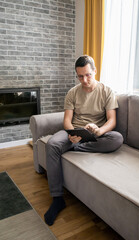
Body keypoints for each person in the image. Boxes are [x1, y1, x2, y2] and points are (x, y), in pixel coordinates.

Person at [44, 55, 123, 226]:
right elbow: (67, 120)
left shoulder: (107, 91)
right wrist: (71, 132)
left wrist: (100, 130)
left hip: (97, 133)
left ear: (95, 71)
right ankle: (57, 199)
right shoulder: (72, 92)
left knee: (117, 138)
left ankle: (76, 148)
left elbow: (112, 121)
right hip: (75, 132)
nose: (85, 80)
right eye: (80, 76)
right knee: (52, 144)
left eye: (88, 75)